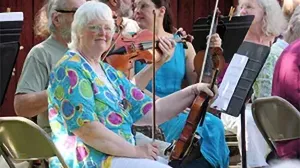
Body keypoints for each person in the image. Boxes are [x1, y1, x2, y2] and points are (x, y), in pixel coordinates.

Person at [47, 1, 217, 167]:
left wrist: (193, 91)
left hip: (118, 155)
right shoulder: (70, 69)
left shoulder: (109, 72)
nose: (102, 33)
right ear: (78, 31)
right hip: (90, 159)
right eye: (94, 27)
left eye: (107, 28)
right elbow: (88, 130)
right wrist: (135, 151)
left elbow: (152, 111)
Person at [133, 0, 230, 168]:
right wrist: (172, 102)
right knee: (209, 127)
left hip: (179, 108)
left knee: (213, 124)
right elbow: (130, 87)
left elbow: (200, 86)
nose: (137, 11)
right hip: (148, 110)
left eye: (143, 6)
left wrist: (212, 54)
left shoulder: (183, 45)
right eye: (135, 6)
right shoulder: (133, 46)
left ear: (161, 11)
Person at [220, 0, 287, 167]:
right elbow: (223, 83)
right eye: (241, 7)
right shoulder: (234, 42)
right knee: (250, 119)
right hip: (238, 108)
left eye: (249, 6)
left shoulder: (278, 43)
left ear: (266, 12)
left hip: (276, 106)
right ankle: (256, 165)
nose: (242, 11)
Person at [14, 0, 86, 133]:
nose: (86, 19)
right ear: (57, 19)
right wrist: (59, 91)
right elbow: (22, 106)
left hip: (93, 136)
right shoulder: (41, 53)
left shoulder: (89, 51)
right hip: (59, 141)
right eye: (78, 13)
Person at [271, 6, 300, 159]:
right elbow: (294, 94)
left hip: (284, 137)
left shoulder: (292, 49)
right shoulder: (296, 52)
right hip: (294, 140)